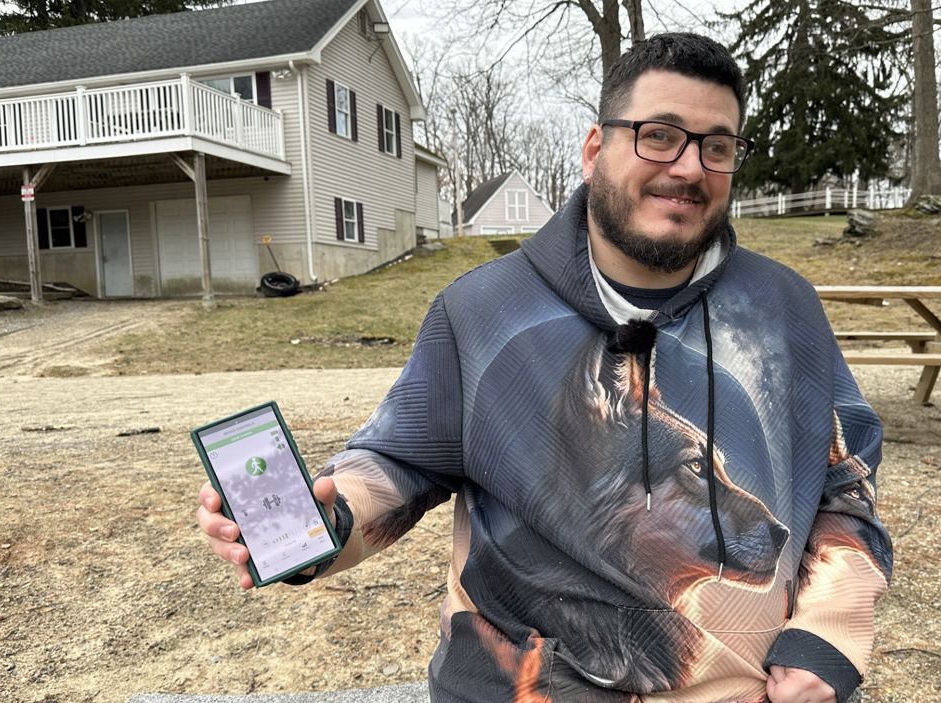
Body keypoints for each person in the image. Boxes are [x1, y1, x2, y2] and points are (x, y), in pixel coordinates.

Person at [198, 32, 891, 703]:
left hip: (746, 688)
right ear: (594, 149)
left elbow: (845, 484)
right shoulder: (481, 309)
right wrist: (329, 519)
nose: (688, 168)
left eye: (717, 146)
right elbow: (398, 464)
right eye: (659, 135)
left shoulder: (783, 308)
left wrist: (828, 632)